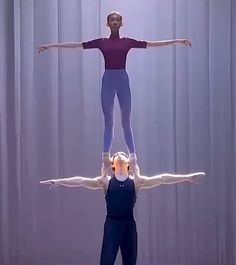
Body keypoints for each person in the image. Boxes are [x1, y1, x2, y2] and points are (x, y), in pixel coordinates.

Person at [37, 12, 192, 175]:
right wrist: (51, 46)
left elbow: (152, 44)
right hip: (108, 81)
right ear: (108, 24)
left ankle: (133, 158)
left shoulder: (127, 42)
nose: (115, 22)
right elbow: (77, 45)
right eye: (112, 20)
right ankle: (105, 159)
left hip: (122, 80)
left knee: (126, 122)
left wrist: (177, 41)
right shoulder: (101, 43)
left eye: (118, 20)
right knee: (109, 122)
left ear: (121, 23)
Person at [40, 151, 205, 265]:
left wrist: (187, 177)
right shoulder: (105, 182)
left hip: (128, 226)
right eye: (117, 154)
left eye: (124, 154)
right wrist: (59, 181)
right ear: (112, 164)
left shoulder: (136, 181)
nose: (120, 154)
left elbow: (162, 179)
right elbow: (81, 181)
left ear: (128, 164)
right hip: (112, 225)